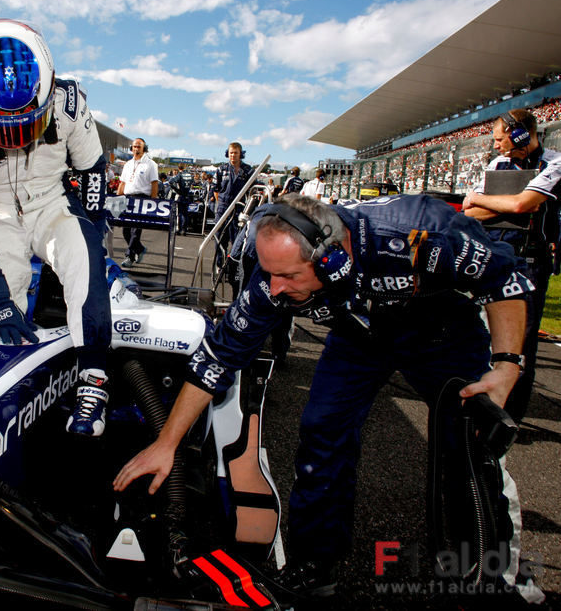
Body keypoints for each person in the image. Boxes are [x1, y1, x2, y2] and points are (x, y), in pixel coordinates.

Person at [115, 193, 537, 601]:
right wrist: (166, 444)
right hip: (359, 336)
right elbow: (219, 357)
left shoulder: (417, 232)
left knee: (467, 443)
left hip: (441, 330)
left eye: (288, 276)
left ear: (332, 259)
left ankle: (497, 576)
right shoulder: (271, 278)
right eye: (269, 273)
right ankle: (315, 564)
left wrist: (505, 365)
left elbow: (504, 277)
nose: (274, 289)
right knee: (321, 429)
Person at [0, 18, 112, 436]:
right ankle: (4, 394)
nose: (16, 135)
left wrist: (91, 226)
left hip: (51, 201)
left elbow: (92, 170)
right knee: (6, 296)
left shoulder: (69, 101)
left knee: (86, 262)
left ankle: (95, 379)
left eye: (28, 121)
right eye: (3, 125)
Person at [461, 108, 561, 422]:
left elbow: (522, 204)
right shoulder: (496, 165)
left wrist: (495, 202)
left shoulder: (555, 162)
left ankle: (509, 418)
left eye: (500, 139)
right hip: (493, 256)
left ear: (520, 135)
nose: (495, 145)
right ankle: (479, 402)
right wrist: (511, 204)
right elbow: (468, 210)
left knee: (519, 344)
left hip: (530, 261)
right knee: (478, 330)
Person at [117, 138, 159, 268]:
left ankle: (129, 257)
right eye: (134, 146)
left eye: (139, 147)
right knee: (126, 231)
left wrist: (153, 202)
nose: (136, 149)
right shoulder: (128, 164)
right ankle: (140, 249)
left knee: (136, 232)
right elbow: (122, 183)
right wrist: (116, 197)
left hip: (142, 200)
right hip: (128, 198)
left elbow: (154, 184)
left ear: (144, 148)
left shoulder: (151, 164)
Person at [213, 141, 252, 267]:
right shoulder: (221, 169)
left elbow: (253, 190)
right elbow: (215, 189)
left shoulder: (248, 171)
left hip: (239, 208)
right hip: (223, 208)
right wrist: (220, 204)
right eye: (231, 153)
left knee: (237, 239)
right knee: (219, 238)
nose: (233, 155)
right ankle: (220, 265)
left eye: (235, 153)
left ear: (241, 154)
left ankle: (234, 267)